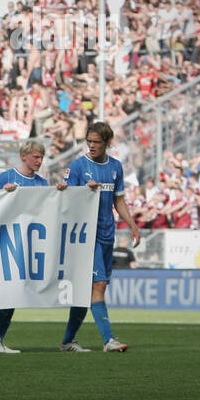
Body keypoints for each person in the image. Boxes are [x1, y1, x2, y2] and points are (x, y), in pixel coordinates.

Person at [60, 122, 140, 353]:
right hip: (86, 236)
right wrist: (83, 190)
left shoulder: (115, 167)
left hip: (107, 233)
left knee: (87, 291)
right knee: (99, 284)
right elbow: (64, 198)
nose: (92, 146)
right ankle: (108, 340)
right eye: (89, 141)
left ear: (107, 143)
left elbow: (119, 200)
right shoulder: (77, 166)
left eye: (97, 142)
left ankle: (67, 341)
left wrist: (132, 224)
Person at [0, 140, 67, 354]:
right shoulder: (7, 177)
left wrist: (60, 193)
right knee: (11, 290)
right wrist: (2, 193)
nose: (39, 161)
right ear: (24, 155)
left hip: (30, 245)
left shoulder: (41, 183)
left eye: (41, 157)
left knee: (18, 292)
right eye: (35, 157)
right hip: (8, 242)